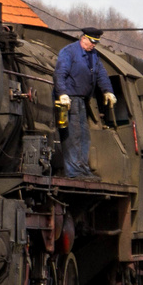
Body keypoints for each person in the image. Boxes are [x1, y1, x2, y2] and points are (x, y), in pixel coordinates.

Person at [54, 26, 116, 179]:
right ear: (84, 38)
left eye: (96, 43)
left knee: (83, 135)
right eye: (92, 42)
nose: (94, 45)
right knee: (73, 134)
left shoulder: (93, 55)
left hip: (82, 100)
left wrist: (108, 90)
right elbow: (59, 74)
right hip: (69, 99)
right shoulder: (69, 52)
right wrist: (62, 94)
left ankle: (82, 168)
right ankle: (73, 171)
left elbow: (101, 73)